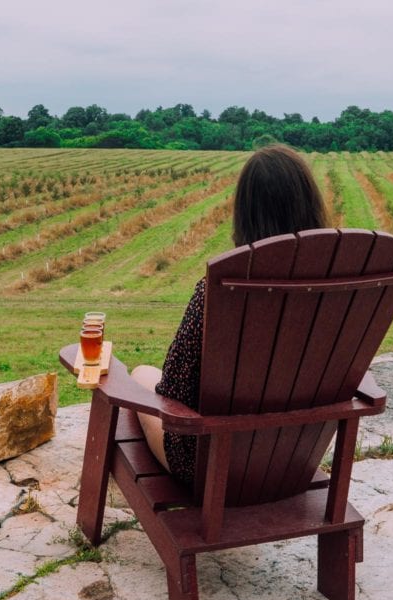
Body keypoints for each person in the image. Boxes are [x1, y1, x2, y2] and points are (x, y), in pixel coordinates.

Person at [132, 144, 329, 489]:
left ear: (245, 215)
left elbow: (172, 389)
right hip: (294, 459)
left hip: (206, 465)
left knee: (140, 375)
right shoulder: (336, 291)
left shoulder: (217, 292)